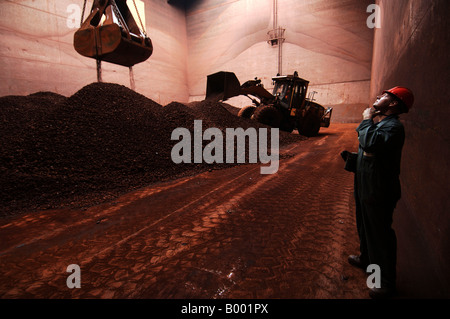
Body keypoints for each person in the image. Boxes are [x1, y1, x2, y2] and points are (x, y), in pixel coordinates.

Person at [348, 86, 414, 299]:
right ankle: (366, 258)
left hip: (379, 189)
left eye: (385, 95)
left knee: (379, 235)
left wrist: (367, 119)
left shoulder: (393, 127)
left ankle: (384, 282)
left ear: (394, 103)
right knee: (364, 225)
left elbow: (370, 143)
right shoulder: (382, 123)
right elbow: (370, 152)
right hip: (367, 184)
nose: (378, 96)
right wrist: (354, 160)